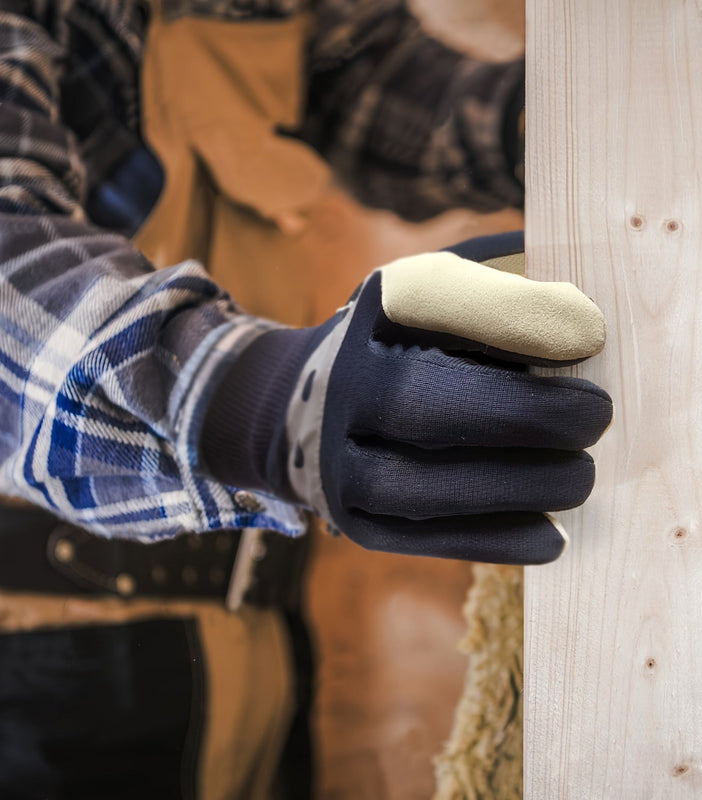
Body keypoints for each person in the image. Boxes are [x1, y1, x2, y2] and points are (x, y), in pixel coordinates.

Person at [0, 1, 613, 798]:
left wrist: (539, 125)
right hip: (49, 654)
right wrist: (260, 403)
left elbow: (351, 75)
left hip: (257, 629)